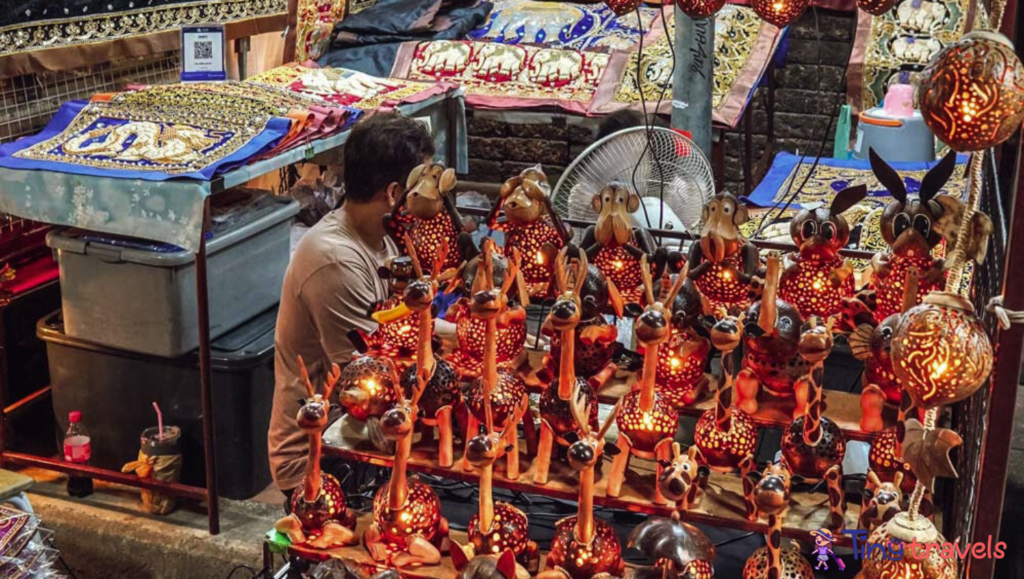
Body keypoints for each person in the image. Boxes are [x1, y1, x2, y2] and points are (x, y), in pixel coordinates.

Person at [269, 113, 437, 497]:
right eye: (423, 187)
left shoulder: (385, 237)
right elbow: (377, 379)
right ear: (395, 193)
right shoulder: (335, 260)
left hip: (364, 425)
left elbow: (413, 324)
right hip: (319, 458)